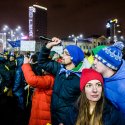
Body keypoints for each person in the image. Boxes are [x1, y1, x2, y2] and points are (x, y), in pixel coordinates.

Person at [38, 37, 85, 125]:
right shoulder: (59, 68)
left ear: (73, 57)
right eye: (63, 53)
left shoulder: (81, 78)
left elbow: (82, 106)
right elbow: (42, 62)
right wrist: (49, 45)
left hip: (68, 120)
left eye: (66, 54)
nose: (62, 56)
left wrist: (69, 122)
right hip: (54, 116)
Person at [93, 41, 125, 115]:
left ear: (109, 65)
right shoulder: (100, 77)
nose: (94, 62)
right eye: (95, 59)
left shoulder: (122, 89)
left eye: (98, 60)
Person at [22, 57, 54, 125]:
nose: (42, 69)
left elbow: (31, 80)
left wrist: (26, 64)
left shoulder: (49, 79)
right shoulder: (49, 77)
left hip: (42, 118)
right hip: (40, 114)